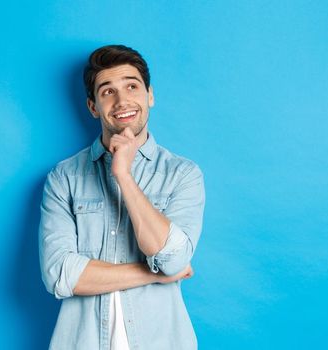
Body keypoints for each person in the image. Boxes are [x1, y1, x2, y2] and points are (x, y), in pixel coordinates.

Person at [38, 44, 206, 349]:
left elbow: (173, 260)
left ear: (149, 95)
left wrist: (123, 176)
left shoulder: (183, 174)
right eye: (107, 91)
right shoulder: (63, 178)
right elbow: (60, 275)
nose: (122, 100)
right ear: (93, 107)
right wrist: (152, 274)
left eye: (132, 86)